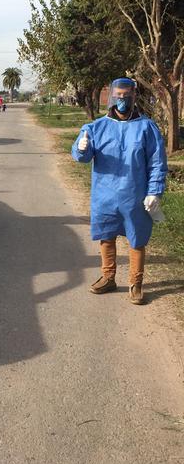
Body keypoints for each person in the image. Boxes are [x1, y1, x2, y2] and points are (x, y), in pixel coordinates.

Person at [72, 78, 167, 304]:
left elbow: (157, 163)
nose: (122, 100)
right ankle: (108, 277)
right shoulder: (95, 128)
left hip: (135, 196)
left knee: (137, 239)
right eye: (119, 96)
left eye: (127, 95)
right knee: (106, 235)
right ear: (112, 97)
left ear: (135, 97)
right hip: (104, 195)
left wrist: (154, 191)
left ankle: (136, 283)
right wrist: (80, 148)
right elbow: (83, 157)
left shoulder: (147, 128)